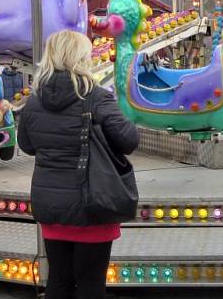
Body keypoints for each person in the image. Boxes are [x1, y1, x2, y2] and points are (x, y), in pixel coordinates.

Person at [18, 30, 139, 299]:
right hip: (92, 204)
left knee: (58, 281)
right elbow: (129, 140)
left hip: (51, 205)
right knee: (91, 284)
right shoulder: (96, 96)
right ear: (81, 58)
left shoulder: (34, 100)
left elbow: (27, 145)